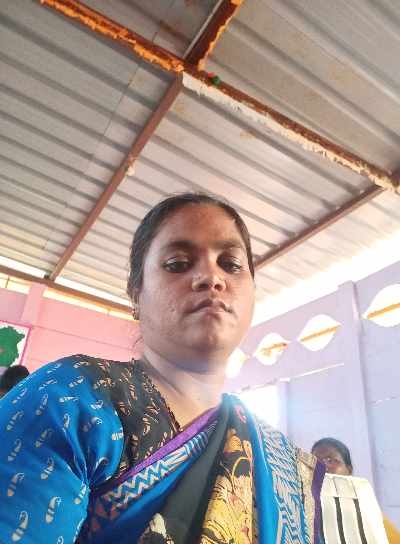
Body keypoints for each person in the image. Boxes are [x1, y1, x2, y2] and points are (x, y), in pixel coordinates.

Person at [0, 193, 324, 544]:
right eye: (178, 263)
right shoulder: (72, 397)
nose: (211, 277)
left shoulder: (279, 464)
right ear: (136, 294)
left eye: (231, 264)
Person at [312, 437, 400, 544]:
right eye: (314, 461)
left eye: (330, 460)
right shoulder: (303, 515)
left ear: (349, 470)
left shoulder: (370, 516)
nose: (321, 467)